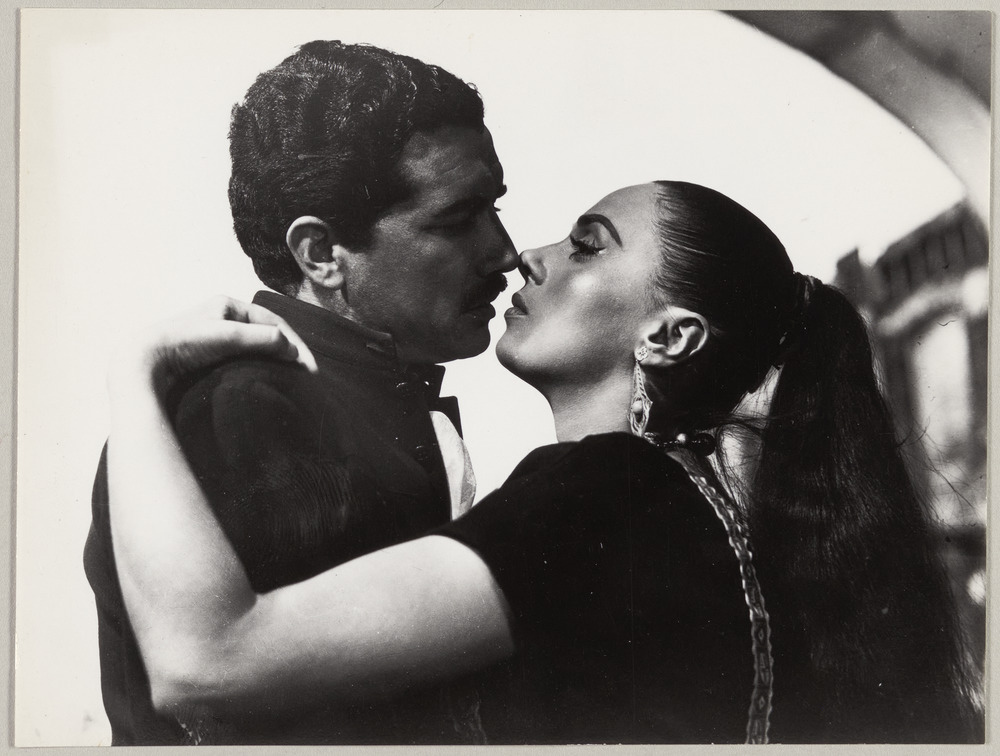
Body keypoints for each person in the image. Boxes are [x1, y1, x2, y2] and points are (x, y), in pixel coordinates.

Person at [105, 181, 981, 744]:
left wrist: (138, 379)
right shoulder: (696, 511)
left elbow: (207, 662)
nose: (529, 256)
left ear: (669, 336)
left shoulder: (600, 499)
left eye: (588, 245)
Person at [83, 40, 517, 745]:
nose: (504, 252)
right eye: (455, 220)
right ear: (320, 255)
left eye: (494, 208)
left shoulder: (337, 399)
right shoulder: (244, 405)